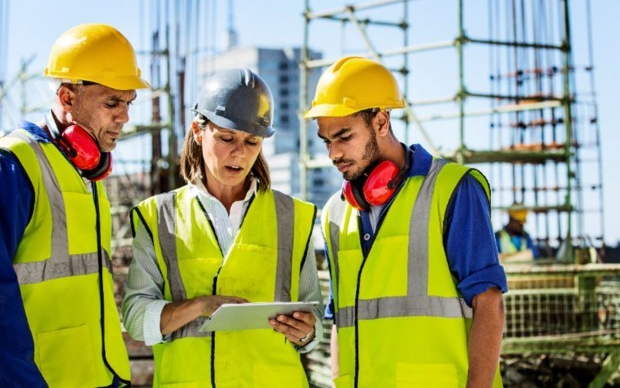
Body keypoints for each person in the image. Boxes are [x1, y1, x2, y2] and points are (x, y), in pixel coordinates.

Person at [304, 56, 508, 388]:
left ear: (381, 122)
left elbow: (489, 303)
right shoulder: (335, 213)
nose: (333, 154)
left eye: (344, 136)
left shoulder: (453, 189)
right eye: (327, 141)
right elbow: (340, 319)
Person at [122, 68, 324, 387]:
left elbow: (314, 321)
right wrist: (202, 306)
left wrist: (307, 331)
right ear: (198, 132)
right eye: (227, 138)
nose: (239, 153)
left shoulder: (292, 217)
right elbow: (135, 319)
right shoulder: (158, 217)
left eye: (252, 142)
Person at [0, 23, 150, 387]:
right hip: (42, 379)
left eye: (128, 102)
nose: (125, 116)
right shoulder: (15, 165)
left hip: (101, 375)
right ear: (67, 98)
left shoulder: (87, 170)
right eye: (112, 102)